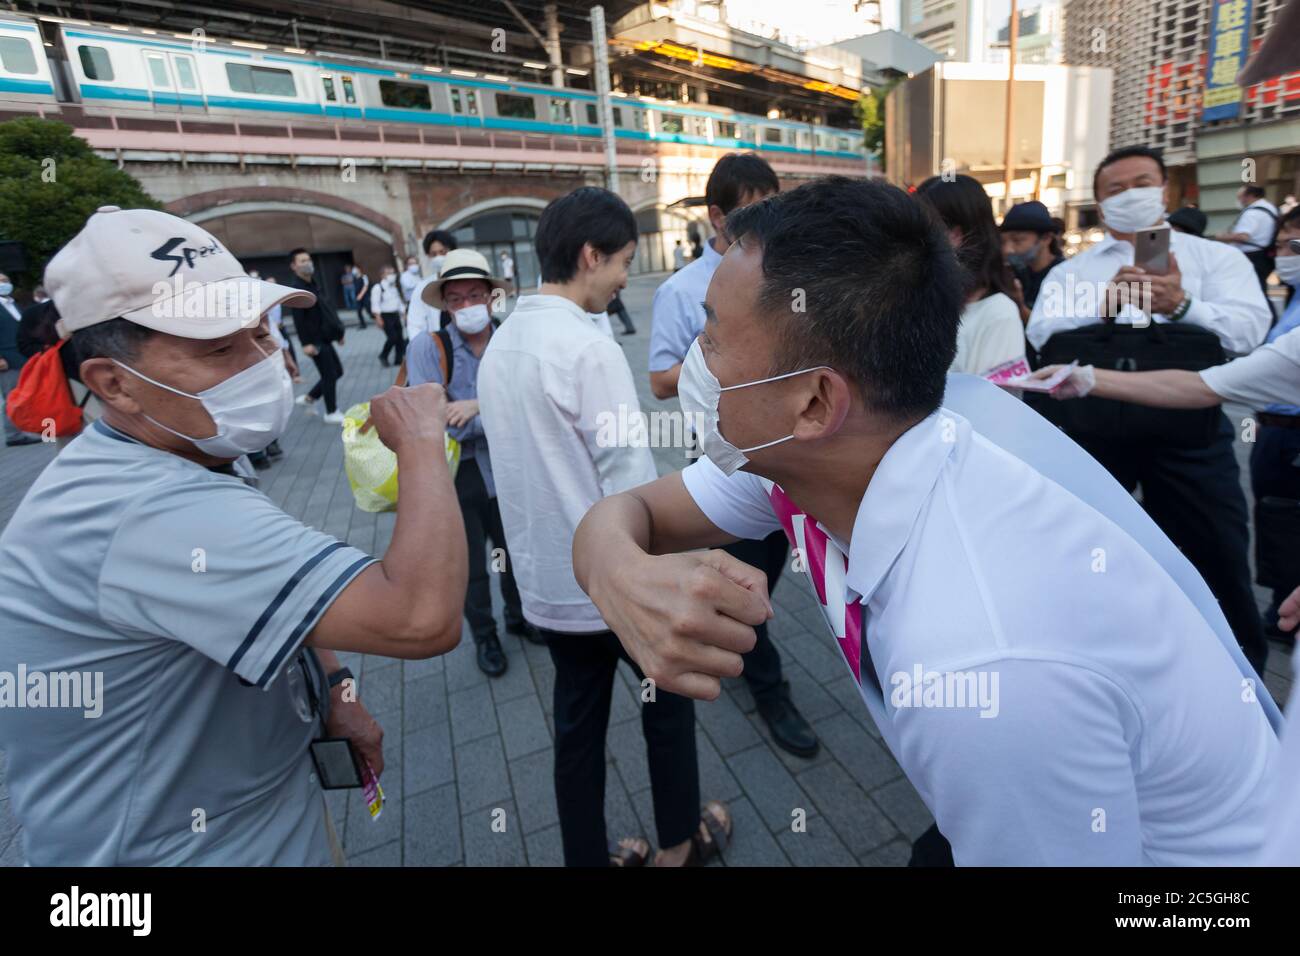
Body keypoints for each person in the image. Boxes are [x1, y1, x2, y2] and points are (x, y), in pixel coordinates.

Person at [571, 177, 1278, 866]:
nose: (697, 362)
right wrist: (618, 573)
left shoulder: (983, 667)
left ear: (816, 402)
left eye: (715, 336)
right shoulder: (836, 455)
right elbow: (630, 512)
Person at [0, 205, 468, 865]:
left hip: (252, 813)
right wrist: (421, 440)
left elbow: (282, 591)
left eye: (258, 334)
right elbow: (420, 618)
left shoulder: (182, 446)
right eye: (220, 348)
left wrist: (335, 689)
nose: (261, 363)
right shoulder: (150, 510)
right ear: (114, 383)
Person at [479, 186, 732, 868]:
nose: (625, 278)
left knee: (577, 731)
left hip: (550, 583)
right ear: (590, 256)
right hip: (617, 583)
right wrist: (669, 570)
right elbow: (628, 475)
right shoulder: (586, 348)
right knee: (667, 710)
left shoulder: (504, 341)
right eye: (622, 262)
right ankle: (681, 846)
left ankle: (587, 857)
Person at [1026, 145, 1272, 675]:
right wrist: (1103, 311)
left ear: (1165, 190)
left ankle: (1241, 678)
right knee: (1084, 552)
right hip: (1091, 434)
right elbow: (1041, 332)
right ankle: (1091, 665)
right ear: (1099, 201)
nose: (1130, 195)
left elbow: (1250, 332)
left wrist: (1182, 307)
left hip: (1190, 435)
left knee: (1218, 554)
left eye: (1142, 182)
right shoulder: (1075, 272)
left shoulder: (1215, 259)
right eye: (1115, 189)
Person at [647, 152, 818, 758]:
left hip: (786, 448)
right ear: (716, 214)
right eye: (749, 206)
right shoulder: (680, 290)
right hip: (720, 449)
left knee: (767, 563)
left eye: (771, 202)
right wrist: (713, 349)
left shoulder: (783, 274)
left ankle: (744, 645)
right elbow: (660, 380)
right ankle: (770, 690)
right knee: (745, 587)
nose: (761, 218)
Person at [408, 250, 538, 676]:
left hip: (511, 468)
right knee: (470, 563)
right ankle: (485, 635)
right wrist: (491, 412)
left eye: (475, 295)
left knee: (513, 550)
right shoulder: (429, 347)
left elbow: (534, 404)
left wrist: (478, 405)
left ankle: (519, 617)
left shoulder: (513, 339)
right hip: (458, 474)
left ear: (492, 296)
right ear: (445, 305)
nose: (467, 306)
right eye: (456, 299)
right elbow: (443, 422)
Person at [916, 175, 1026, 376]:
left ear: (958, 236)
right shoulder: (919, 302)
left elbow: (995, 403)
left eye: (928, 228)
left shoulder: (999, 314)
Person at [287, 248, 347, 425]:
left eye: (308, 260)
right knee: (329, 374)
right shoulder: (297, 289)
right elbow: (299, 320)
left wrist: (339, 333)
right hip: (315, 341)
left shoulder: (314, 283)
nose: (307, 263)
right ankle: (331, 411)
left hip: (327, 336)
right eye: (302, 261)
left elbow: (327, 311)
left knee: (338, 372)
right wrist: (306, 343)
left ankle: (310, 397)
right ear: (294, 266)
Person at [247, 276, 297, 470]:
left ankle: (271, 442)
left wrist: (287, 359)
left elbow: (275, 337)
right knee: (253, 410)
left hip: (270, 365)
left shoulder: (264, 314)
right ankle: (257, 451)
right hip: (252, 370)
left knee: (270, 405)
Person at [998, 199, 1065, 313]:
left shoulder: (1064, 276)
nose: (1007, 249)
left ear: (1046, 238)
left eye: (1017, 240)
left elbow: (1051, 327)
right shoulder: (1014, 273)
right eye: (1003, 241)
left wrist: (1019, 306)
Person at [1215, 184, 1280, 297]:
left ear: (1249, 196)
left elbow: (1243, 236)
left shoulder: (1252, 213)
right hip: (1263, 254)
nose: (1239, 200)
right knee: (1260, 289)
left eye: (1239, 197)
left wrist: (1221, 237)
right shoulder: (1270, 208)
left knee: (1253, 290)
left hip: (1252, 256)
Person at [0, 272, 39, 447]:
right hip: (8, 360)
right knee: (11, 397)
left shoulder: (13, 304)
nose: (4, 284)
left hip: (24, 356)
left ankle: (40, 429)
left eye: (6, 280)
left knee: (32, 394)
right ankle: (13, 434)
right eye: (0, 281)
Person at [407, 230, 458, 338]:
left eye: (443, 252)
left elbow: (497, 301)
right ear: (428, 256)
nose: (438, 257)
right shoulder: (422, 288)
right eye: (433, 254)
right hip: (439, 345)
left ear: (453, 251)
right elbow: (415, 325)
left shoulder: (469, 279)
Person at [371, 263, 406, 367]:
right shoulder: (378, 287)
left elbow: (398, 301)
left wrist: (403, 313)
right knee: (392, 338)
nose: (392, 275)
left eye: (393, 273)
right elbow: (375, 303)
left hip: (395, 315)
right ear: (382, 275)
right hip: (385, 316)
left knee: (400, 338)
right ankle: (383, 355)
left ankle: (398, 360)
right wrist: (378, 318)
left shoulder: (393, 287)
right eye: (389, 273)